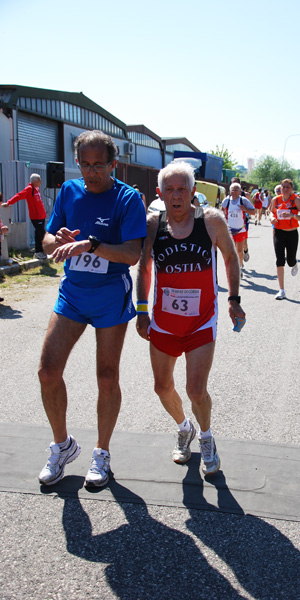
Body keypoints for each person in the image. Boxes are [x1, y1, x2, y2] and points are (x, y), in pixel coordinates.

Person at [37, 130, 147, 488]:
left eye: (99, 165)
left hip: (110, 296)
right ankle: (62, 445)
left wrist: (93, 245)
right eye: (84, 164)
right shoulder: (69, 191)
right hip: (72, 293)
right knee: (47, 371)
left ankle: (102, 452)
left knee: (106, 376)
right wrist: (61, 241)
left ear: (113, 164)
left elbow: (132, 253)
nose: (91, 172)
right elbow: (48, 239)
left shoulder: (128, 199)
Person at [136, 161, 245, 476]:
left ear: (193, 191)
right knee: (161, 387)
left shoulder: (210, 221)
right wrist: (142, 310)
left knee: (196, 390)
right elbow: (143, 267)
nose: (176, 195)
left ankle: (207, 437)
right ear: (160, 193)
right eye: (169, 189)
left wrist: (234, 299)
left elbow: (230, 257)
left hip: (201, 321)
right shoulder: (153, 225)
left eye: (182, 188)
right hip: (163, 323)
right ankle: (184, 429)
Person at [269, 178, 300, 300]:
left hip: (292, 233)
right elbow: (270, 212)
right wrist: (271, 218)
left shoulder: (296, 200)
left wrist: (293, 216)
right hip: (279, 233)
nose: (285, 189)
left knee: (290, 261)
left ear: (291, 188)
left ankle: (294, 263)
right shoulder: (276, 200)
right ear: (280, 188)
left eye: (287, 187)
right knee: (279, 260)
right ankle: (281, 290)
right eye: (283, 187)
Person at [1, 173, 47, 259]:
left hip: (41, 216)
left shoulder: (36, 189)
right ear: (34, 181)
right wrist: (9, 202)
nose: (40, 182)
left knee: (38, 233)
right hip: (36, 217)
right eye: (39, 180)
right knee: (41, 234)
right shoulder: (29, 189)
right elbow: (19, 196)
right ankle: (39, 251)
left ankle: (39, 251)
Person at [221, 182, 255, 277]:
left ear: (240, 191)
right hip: (229, 231)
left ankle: (239, 268)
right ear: (230, 191)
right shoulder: (226, 200)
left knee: (239, 251)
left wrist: (245, 209)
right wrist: (223, 214)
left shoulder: (243, 200)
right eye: (233, 190)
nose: (234, 192)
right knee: (230, 251)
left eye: (236, 190)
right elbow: (222, 208)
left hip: (240, 230)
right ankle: (232, 268)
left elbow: (254, 212)